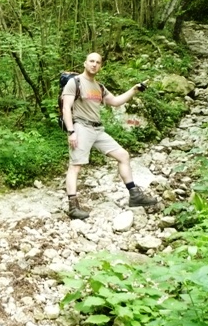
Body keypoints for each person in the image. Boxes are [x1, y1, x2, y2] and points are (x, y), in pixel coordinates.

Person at [62, 52, 157, 220]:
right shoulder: (74, 82)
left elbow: (116, 101)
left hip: (97, 129)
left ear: (100, 66)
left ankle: (134, 195)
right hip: (81, 127)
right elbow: (66, 108)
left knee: (123, 155)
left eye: (97, 62)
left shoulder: (99, 87)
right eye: (91, 61)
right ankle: (73, 206)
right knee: (75, 166)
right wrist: (71, 131)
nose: (94, 64)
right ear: (85, 63)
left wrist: (134, 89)